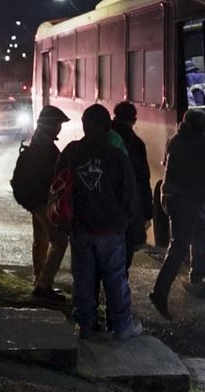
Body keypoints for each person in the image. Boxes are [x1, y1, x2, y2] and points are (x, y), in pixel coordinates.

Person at [58, 104, 141, 340]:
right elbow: (129, 197)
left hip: (81, 227)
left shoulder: (71, 153)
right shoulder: (117, 157)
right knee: (115, 278)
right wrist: (127, 224)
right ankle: (121, 326)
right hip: (111, 229)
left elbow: (58, 187)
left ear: (83, 126)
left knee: (83, 278)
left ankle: (85, 325)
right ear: (108, 128)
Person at [149, 109, 205, 321]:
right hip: (185, 201)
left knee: (192, 234)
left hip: (172, 198)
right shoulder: (200, 144)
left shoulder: (176, 140)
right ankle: (159, 293)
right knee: (178, 248)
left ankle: (196, 270)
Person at [9, 105, 71, 302]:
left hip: (34, 201)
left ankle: (39, 279)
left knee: (41, 239)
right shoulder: (46, 148)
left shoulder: (37, 144)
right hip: (42, 202)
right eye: (58, 124)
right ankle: (43, 284)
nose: (60, 128)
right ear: (51, 125)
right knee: (60, 242)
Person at [111, 101, 152, 269]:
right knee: (124, 257)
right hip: (127, 206)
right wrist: (147, 212)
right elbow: (142, 178)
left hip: (103, 206)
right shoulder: (135, 143)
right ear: (133, 120)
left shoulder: (103, 136)